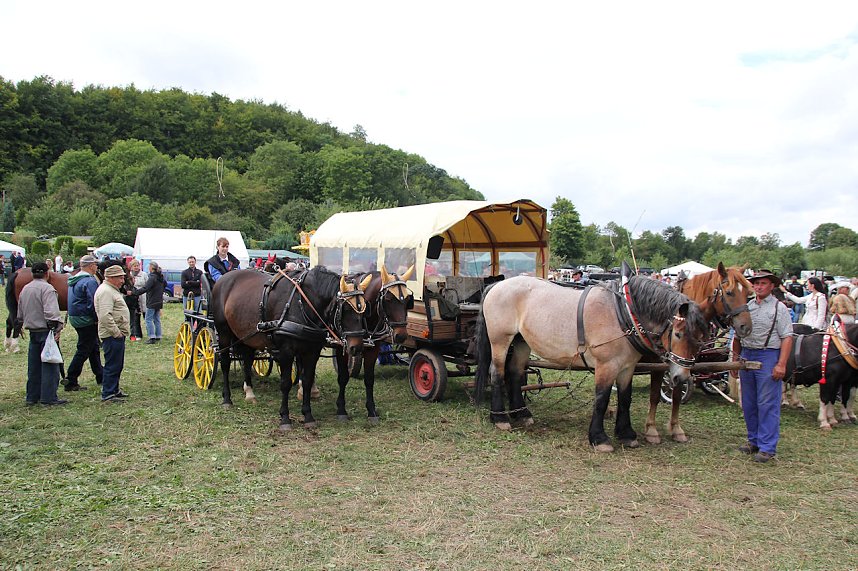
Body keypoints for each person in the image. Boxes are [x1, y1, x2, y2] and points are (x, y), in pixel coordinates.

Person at [732, 270, 794, 463]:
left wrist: (781, 364)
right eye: (756, 283)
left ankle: (767, 447)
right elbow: (737, 337)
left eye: (763, 283)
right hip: (747, 354)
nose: (759, 287)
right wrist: (735, 358)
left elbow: (787, 337)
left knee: (767, 403)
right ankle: (754, 440)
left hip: (768, 355)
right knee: (749, 402)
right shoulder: (748, 306)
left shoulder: (779, 308)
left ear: (772, 286)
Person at [17, 262, 67, 406]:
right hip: (46, 331)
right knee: (50, 364)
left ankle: (32, 396)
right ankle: (49, 397)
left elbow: (20, 313)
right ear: (47, 273)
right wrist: (57, 328)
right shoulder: (48, 289)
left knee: (34, 366)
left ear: (32, 274)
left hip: (33, 331)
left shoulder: (26, 289)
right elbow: (51, 313)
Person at [65, 255, 104, 392]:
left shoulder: (74, 279)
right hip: (86, 319)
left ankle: (100, 375)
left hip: (75, 317)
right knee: (84, 349)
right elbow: (93, 302)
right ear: (91, 266)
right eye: (95, 265)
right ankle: (71, 379)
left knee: (93, 347)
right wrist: (96, 319)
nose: (97, 267)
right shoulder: (89, 281)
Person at [94, 265, 130, 402]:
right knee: (112, 365)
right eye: (120, 277)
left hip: (115, 334)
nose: (122, 280)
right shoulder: (106, 292)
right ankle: (108, 393)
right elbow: (104, 315)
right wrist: (116, 333)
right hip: (112, 335)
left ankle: (114, 389)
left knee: (117, 364)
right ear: (111, 278)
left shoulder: (110, 290)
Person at [132, 261, 166, 344]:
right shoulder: (160, 277)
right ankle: (158, 335)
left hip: (152, 300)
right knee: (157, 319)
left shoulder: (152, 277)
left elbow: (146, 288)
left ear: (151, 268)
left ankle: (151, 336)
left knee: (148, 319)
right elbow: (165, 284)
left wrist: (135, 292)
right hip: (159, 300)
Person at [128, 260, 147, 340]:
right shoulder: (129, 275)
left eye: (137, 266)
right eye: (134, 266)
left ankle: (151, 333)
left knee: (146, 316)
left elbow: (147, 285)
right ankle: (137, 334)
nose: (136, 267)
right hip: (133, 298)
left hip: (143, 296)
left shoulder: (144, 274)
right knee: (135, 317)